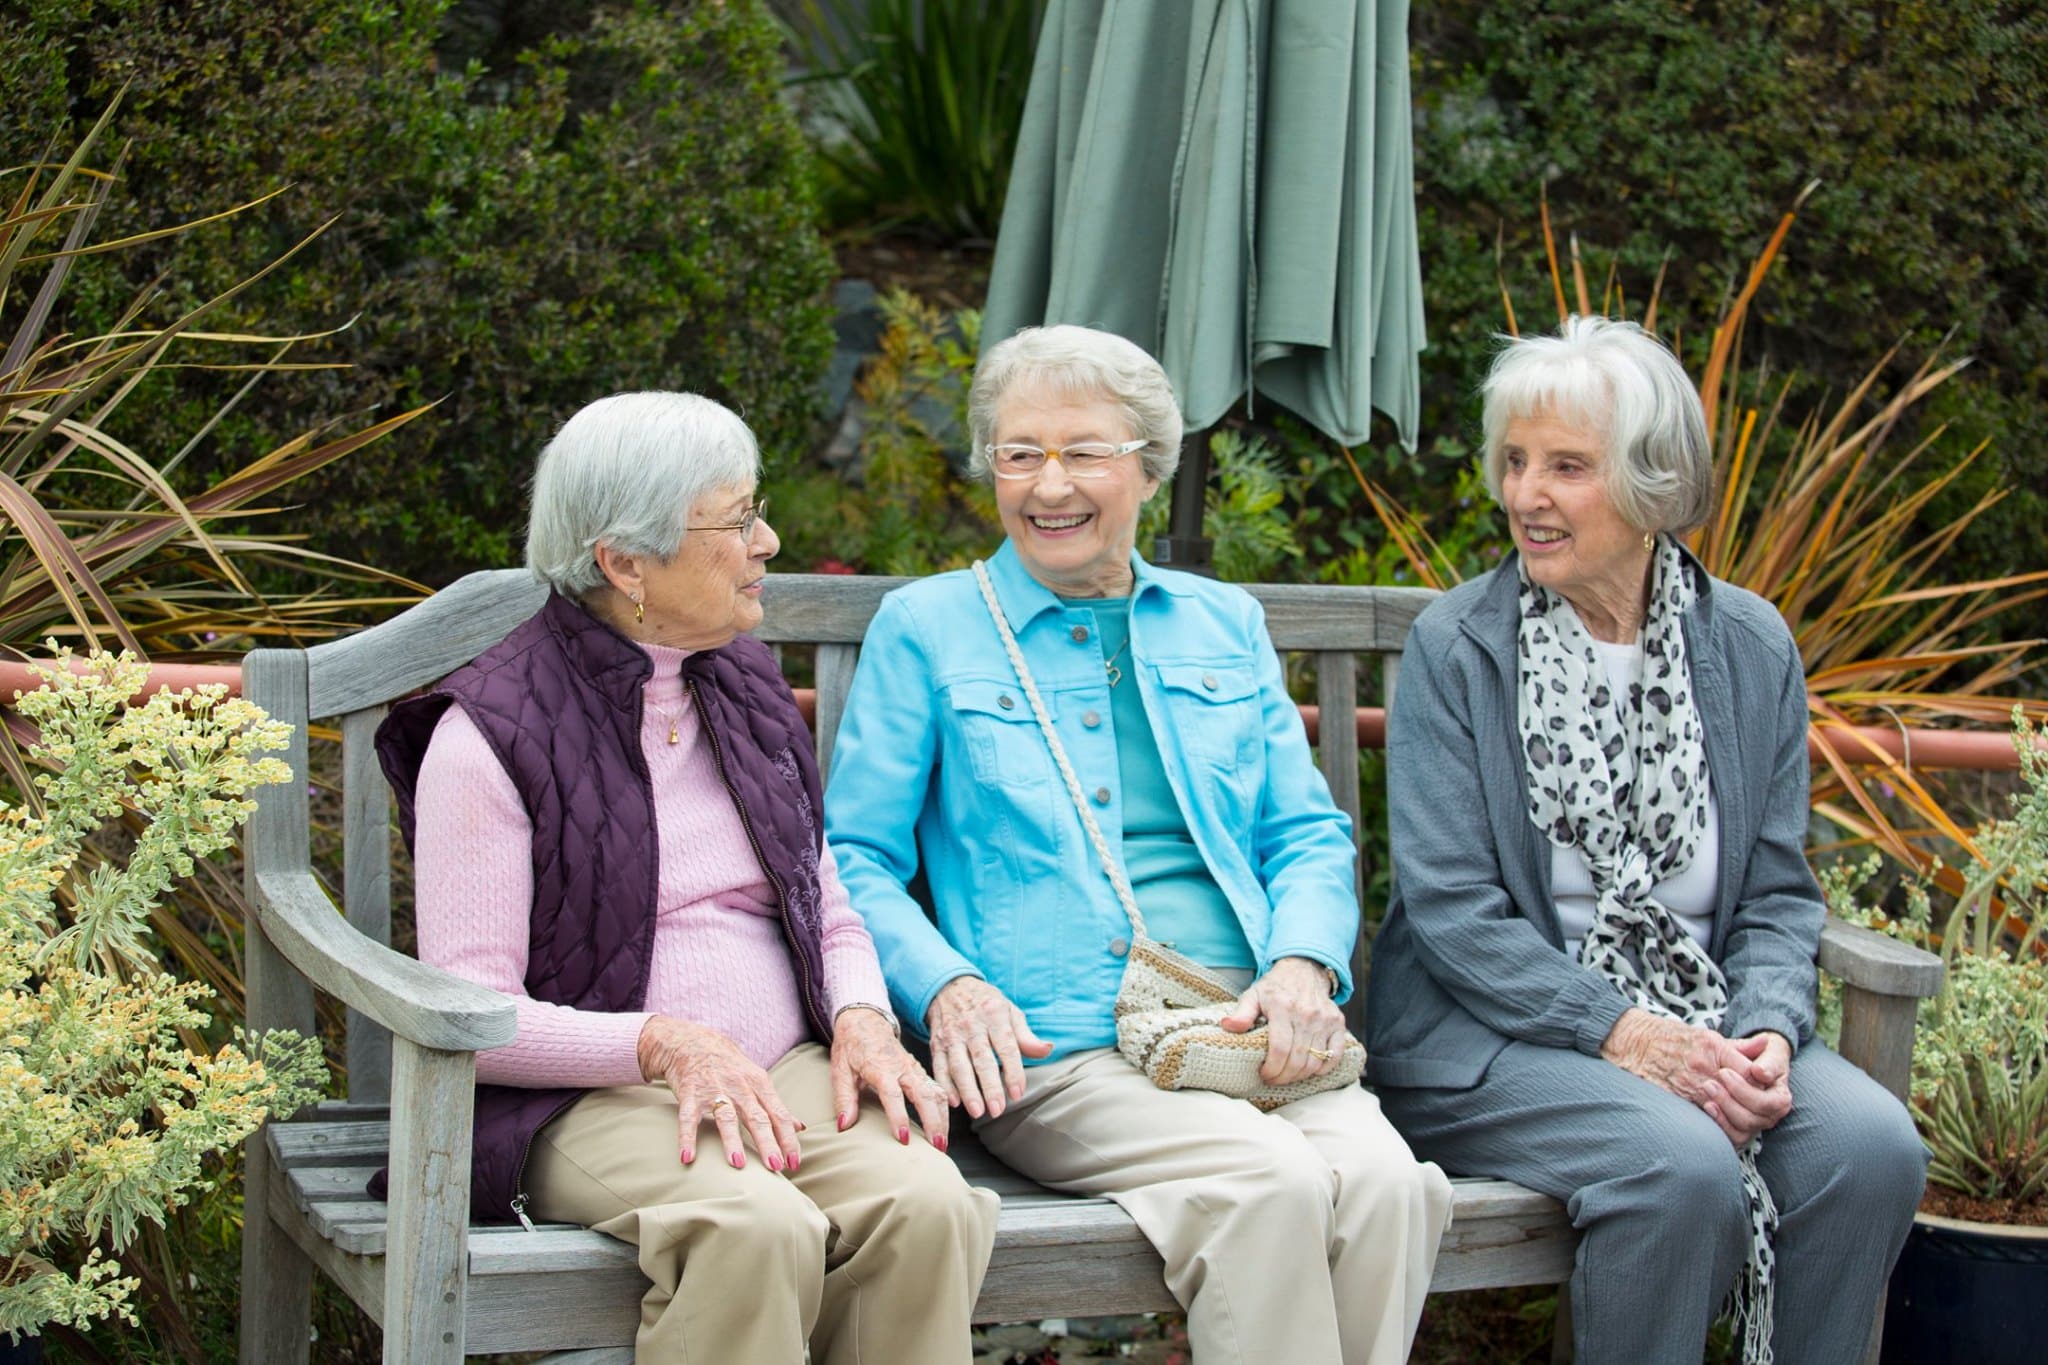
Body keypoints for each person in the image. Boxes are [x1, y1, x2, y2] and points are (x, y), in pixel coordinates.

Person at [824, 325, 1451, 1365]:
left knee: (1387, 1187)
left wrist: (1301, 967)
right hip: (1061, 1050)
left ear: (1148, 469)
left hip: (1244, 1025)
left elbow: (1302, 833)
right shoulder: (929, 628)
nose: (1047, 484)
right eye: (1018, 454)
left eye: (1083, 452)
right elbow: (854, 859)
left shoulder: (1221, 624)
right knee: (1267, 1183)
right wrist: (942, 987)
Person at [375, 392, 997, 1364]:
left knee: (923, 1199)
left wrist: (863, 1018)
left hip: (776, 1069)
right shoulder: (487, 735)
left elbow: (824, 906)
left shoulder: (740, 683)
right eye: (737, 517)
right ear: (625, 562)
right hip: (582, 1102)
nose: (767, 538)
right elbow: (474, 1013)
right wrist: (662, 1044)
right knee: (752, 1227)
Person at [1366, 317, 1927, 1365]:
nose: (1524, 496)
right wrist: (1629, 1036)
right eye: (1516, 463)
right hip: (1489, 1042)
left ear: (1650, 484)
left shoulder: (1748, 644)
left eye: (1566, 468)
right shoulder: (1459, 647)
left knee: (1867, 1146)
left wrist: (1761, 1028)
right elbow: (1453, 915)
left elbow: (1772, 894)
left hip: (1705, 1022)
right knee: (1678, 1165)